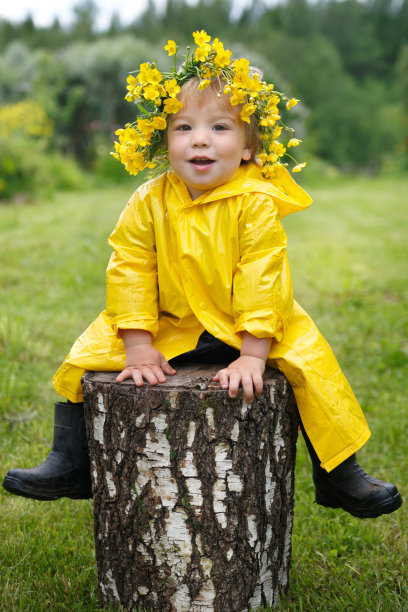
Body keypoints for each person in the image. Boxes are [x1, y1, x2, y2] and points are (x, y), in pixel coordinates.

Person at [2, 31, 402, 519]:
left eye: (220, 127)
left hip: (247, 326)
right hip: (172, 324)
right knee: (86, 356)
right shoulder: (149, 200)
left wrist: (254, 354)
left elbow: (262, 274)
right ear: (163, 141)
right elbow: (128, 265)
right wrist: (137, 343)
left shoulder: (254, 203)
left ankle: (340, 475)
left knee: (309, 364)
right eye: (183, 127)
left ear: (250, 147)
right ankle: (69, 462)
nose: (199, 140)